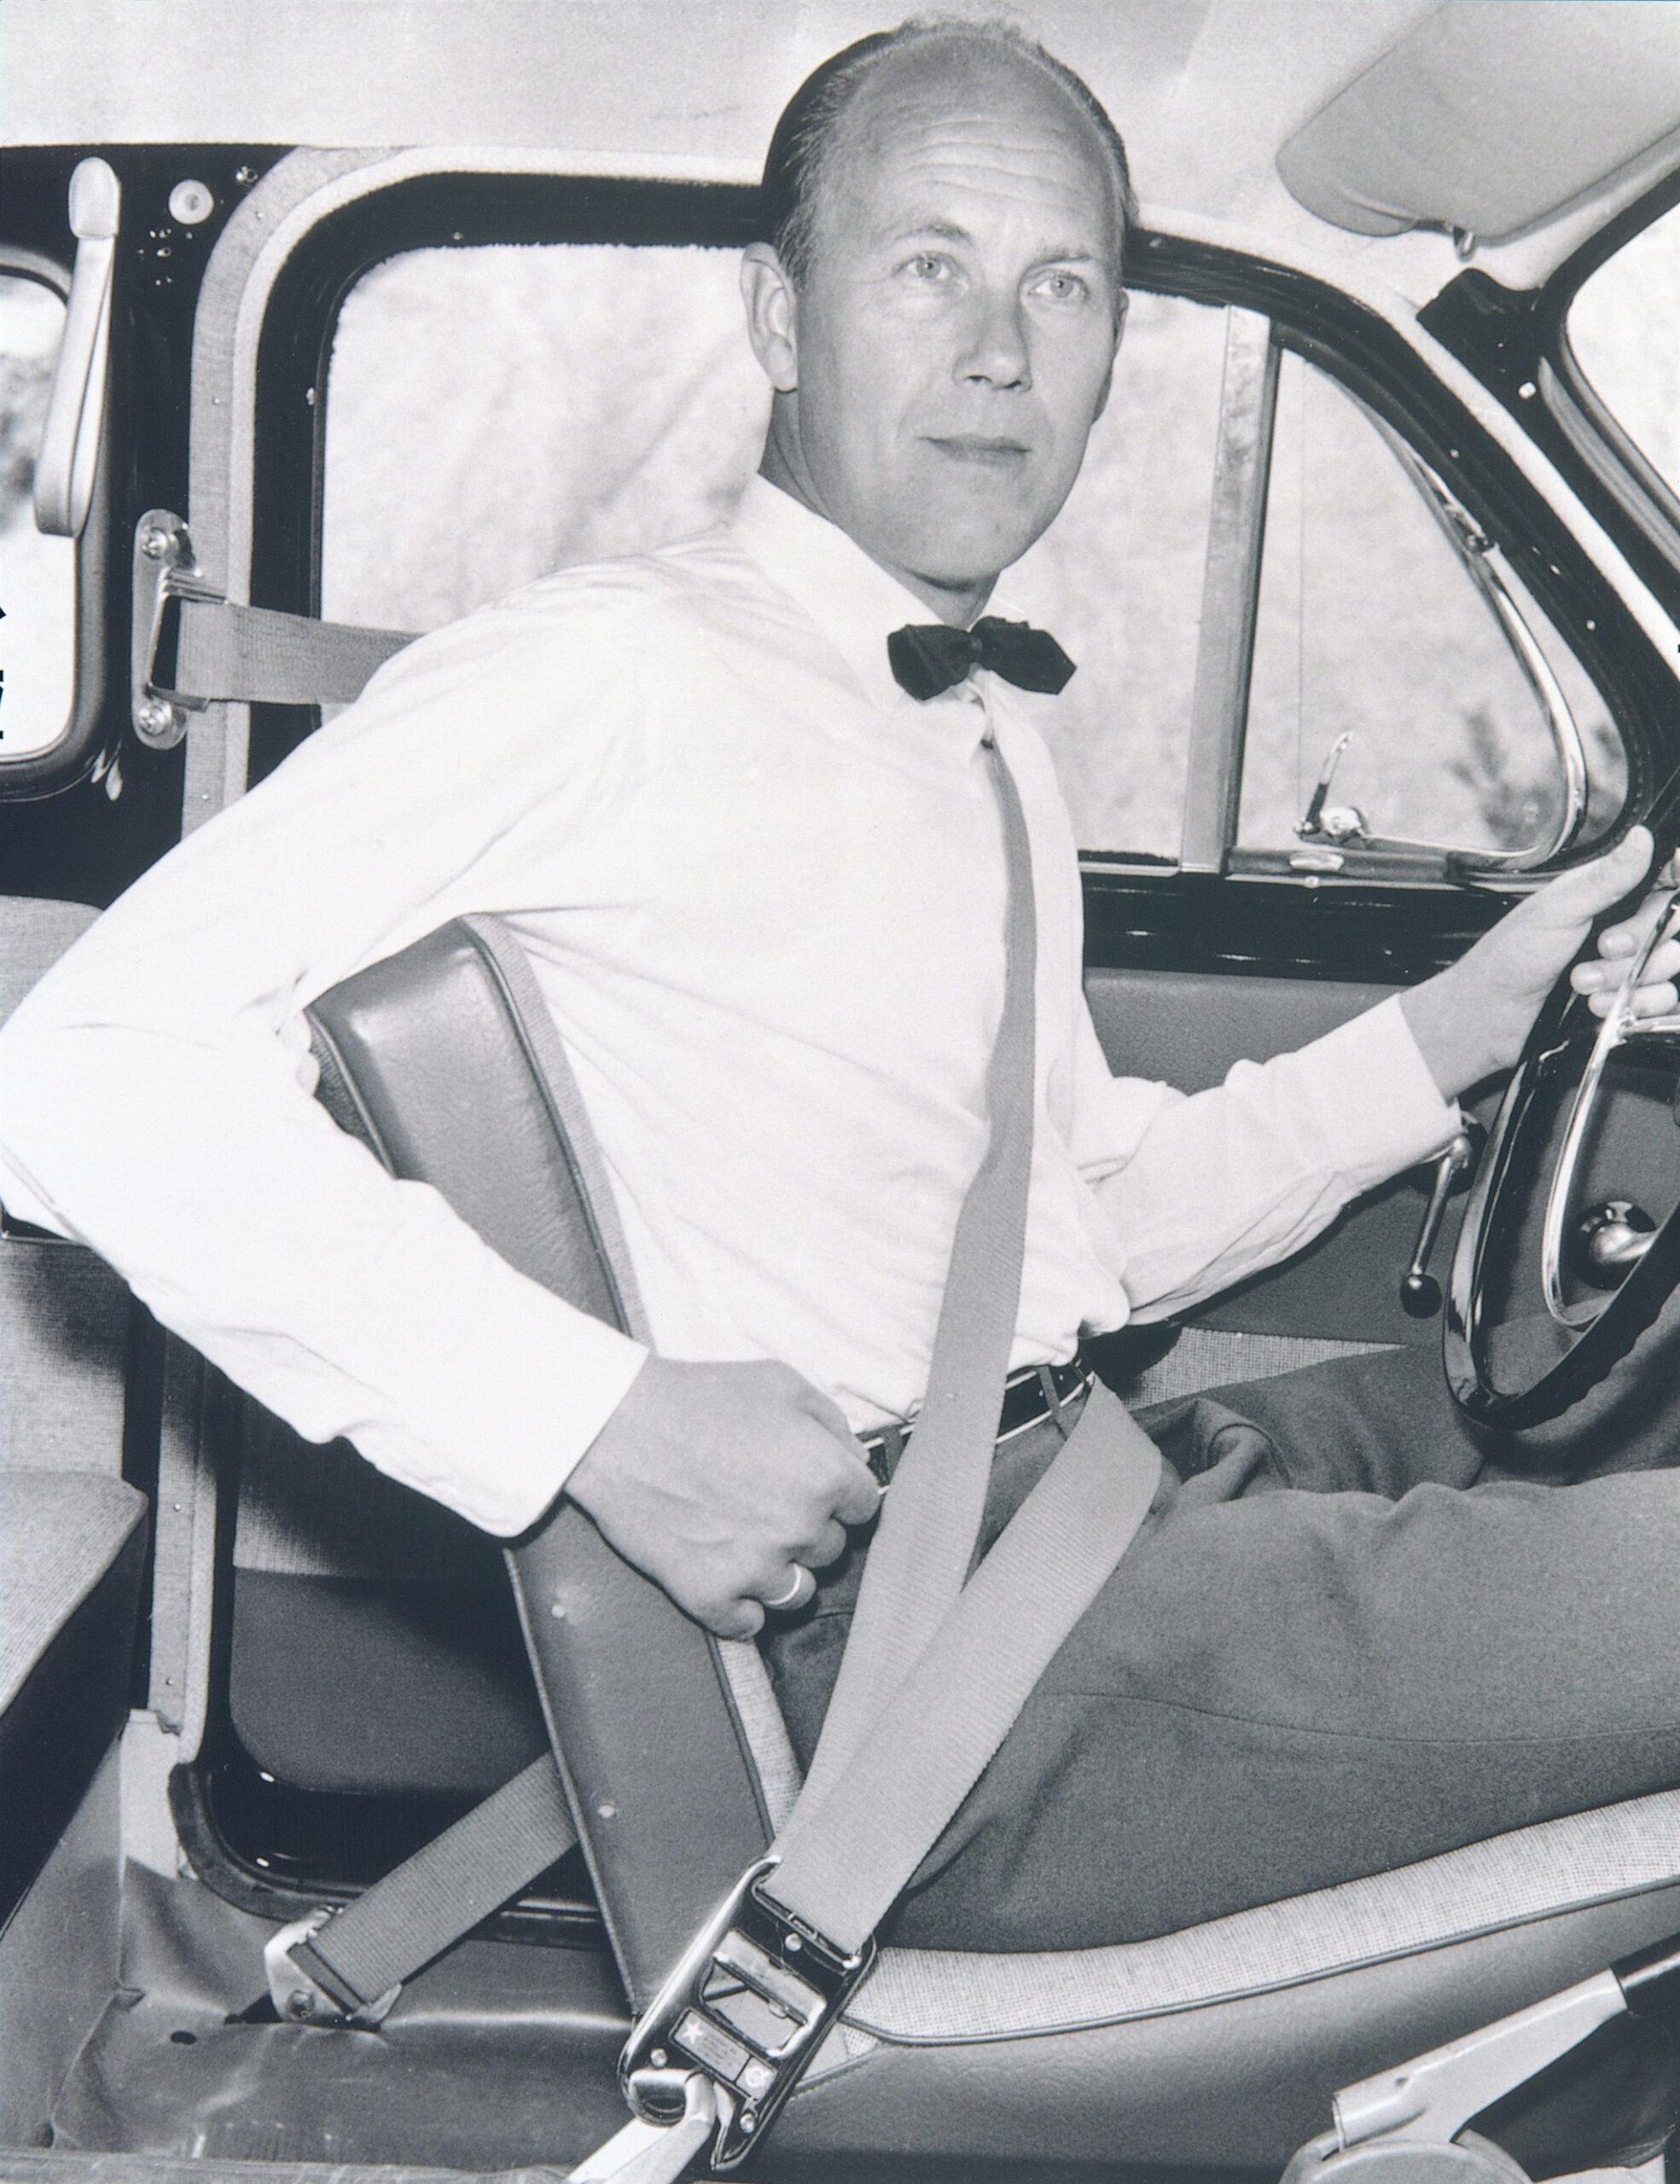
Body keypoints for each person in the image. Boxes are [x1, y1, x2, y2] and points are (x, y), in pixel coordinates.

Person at [5, 17, 1680, 1954]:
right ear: (780, 319)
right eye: (925, 267)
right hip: (940, 1669)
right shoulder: (608, 673)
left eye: (1063, 283)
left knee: (1629, 1378)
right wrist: (597, 1419)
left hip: (1092, 1494)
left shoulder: (970, 729)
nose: (1001, 349)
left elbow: (1076, 1219)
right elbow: (82, 1071)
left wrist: (1452, 1039)